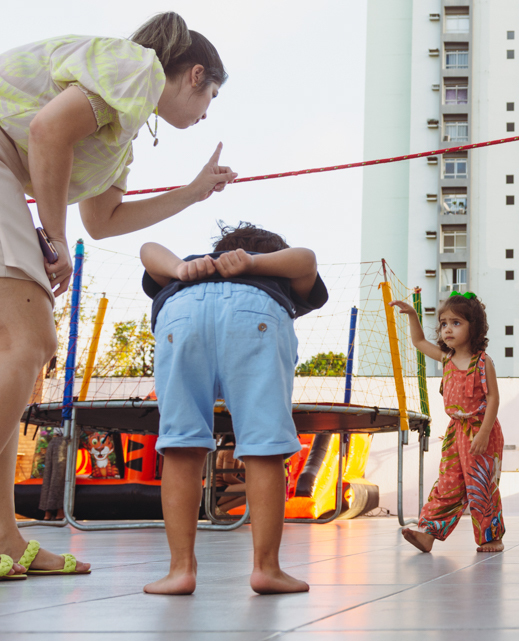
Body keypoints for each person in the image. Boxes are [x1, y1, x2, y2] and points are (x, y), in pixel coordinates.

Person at [0, 12, 236, 577]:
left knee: (14, 347)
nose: (206, 115)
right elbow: (46, 132)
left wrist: (192, 193)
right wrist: (53, 240)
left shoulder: (123, 136)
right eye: (210, 98)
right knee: (31, 339)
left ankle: (5, 538)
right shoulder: (139, 69)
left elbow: (103, 221)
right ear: (194, 74)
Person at [139, 222, 328, 595]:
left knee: (179, 443)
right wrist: (255, 265)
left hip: (181, 313)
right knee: (264, 445)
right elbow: (307, 260)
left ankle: (180, 570)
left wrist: (180, 269)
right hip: (253, 315)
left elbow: (147, 249)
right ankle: (266, 568)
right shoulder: (276, 276)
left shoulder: (192, 268)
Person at [390, 293, 506, 553]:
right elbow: (419, 341)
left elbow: (494, 398)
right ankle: (428, 534)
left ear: (473, 327)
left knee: (482, 485)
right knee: (448, 482)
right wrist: (412, 315)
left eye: (456, 323)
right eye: (443, 323)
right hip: (456, 431)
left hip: (481, 431)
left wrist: (484, 433)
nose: (447, 329)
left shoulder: (482, 362)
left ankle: (491, 537)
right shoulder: (446, 358)